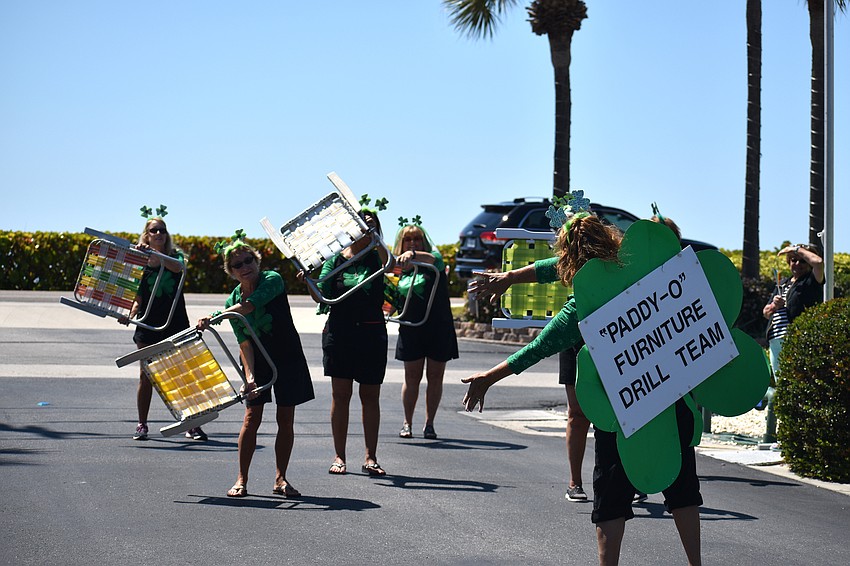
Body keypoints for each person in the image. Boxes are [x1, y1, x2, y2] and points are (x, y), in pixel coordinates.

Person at [463, 213, 702, 566]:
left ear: (571, 260)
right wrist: (511, 277)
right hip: (670, 395)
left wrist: (488, 378)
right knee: (682, 487)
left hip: (621, 406)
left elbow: (537, 348)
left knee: (611, 496)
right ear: (611, 240)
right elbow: (556, 266)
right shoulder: (641, 267)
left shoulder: (582, 307)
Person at [197, 240, 314, 498]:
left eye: (248, 260)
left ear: (256, 261)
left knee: (286, 418)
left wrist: (218, 315)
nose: (245, 267)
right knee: (251, 418)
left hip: (286, 356)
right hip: (258, 360)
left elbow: (250, 307)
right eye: (237, 264)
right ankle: (241, 479)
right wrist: (249, 377)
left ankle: (280, 479)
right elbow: (244, 343)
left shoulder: (272, 279)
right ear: (231, 270)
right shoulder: (233, 299)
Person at [304, 209, 391, 476]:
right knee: (340, 396)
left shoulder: (378, 256)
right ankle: (339, 456)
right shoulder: (335, 258)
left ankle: (370, 457)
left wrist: (374, 236)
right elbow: (321, 294)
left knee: (370, 396)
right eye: (360, 225)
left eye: (371, 226)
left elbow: (391, 261)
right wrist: (308, 280)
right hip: (339, 334)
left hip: (371, 334)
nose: (364, 229)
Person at [119, 214, 206, 442]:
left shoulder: (175, 257)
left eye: (162, 230)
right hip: (149, 326)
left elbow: (177, 269)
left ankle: (191, 423)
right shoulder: (140, 262)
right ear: (146, 235)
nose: (159, 234)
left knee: (180, 374)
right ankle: (142, 424)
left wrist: (153, 254)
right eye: (154, 231)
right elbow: (137, 298)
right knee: (146, 376)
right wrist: (129, 314)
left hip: (174, 323)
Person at [393, 222, 458, 440]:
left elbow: (436, 260)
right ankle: (407, 422)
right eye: (408, 240)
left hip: (438, 327)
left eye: (417, 239)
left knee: (435, 376)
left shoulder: (433, 260)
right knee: (412, 376)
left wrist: (414, 254)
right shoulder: (397, 269)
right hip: (411, 328)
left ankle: (429, 423)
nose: (412, 243)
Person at [761, 243, 824, 441]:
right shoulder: (784, 282)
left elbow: (819, 262)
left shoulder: (811, 281)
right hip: (776, 341)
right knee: (782, 387)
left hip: (794, 339)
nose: (796, 263)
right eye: (793, 260)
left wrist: (794, 249)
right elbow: (765, 313)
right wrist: (773, 306)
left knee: (796, 385)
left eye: (801, 260)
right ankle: (785, 435)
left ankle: (797, 435)